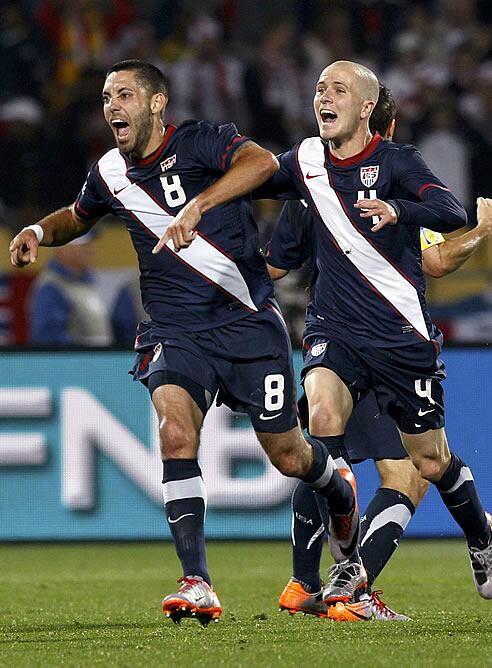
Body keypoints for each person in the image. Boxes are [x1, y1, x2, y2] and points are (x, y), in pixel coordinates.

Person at [9, 59, 364, 626]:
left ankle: (337, 485)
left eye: (124, 94)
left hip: (245, 322)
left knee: (290, 455)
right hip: (174, 328)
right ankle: (197, 581)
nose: (111, 106)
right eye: (106, 96)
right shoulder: (109, 171)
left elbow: (262, 163)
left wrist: (200, 204)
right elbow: (78, 217)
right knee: (175, 433)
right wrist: (35, 231)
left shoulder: (202, 142)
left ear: (156, 103)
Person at [268, 84, 492, 621]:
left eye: (337, 90)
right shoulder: (308, 172)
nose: (324, 97)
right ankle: (347, 581)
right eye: (319, 89)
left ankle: (480, 543)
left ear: (370, 118)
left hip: (398, 340)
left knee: (429, 461)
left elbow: (443, 211)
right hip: (335, 330)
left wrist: (399, 210)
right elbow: (438, 261)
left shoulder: (394, 167)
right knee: (331, 432)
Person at [28, 230, 113, 346]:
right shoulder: (51, 288)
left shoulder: (85, 283)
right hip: (76, 363)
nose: (91, 250)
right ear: (63, 249)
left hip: (98, 362)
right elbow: (49, 342)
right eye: (84, 245)